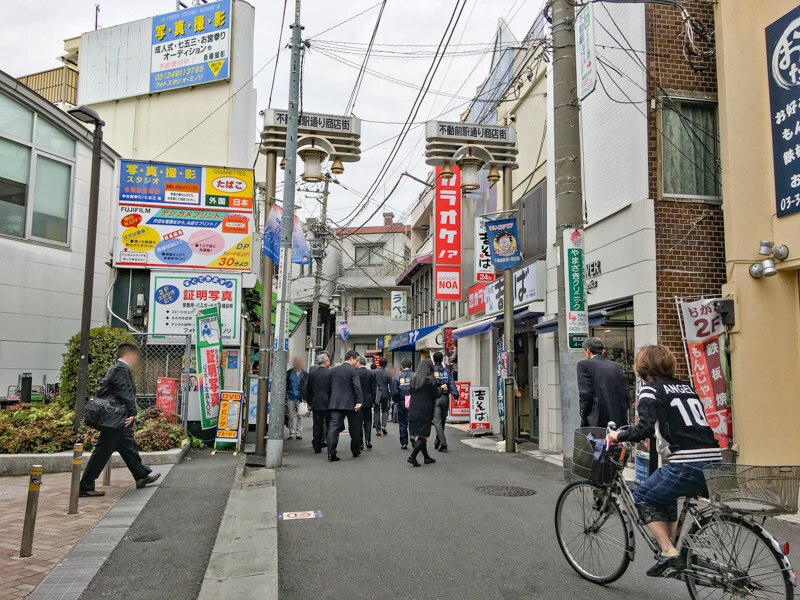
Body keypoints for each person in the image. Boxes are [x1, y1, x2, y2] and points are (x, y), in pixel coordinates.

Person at [608, 345, 721, 578]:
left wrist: (618, 435)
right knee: (663, 494)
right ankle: (671, 551)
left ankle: (669, 553)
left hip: (686, 464)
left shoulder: (650, 390)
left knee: (640, 496)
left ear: (642, 368)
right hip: (713, 460)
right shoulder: (686, 387)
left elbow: (644, 429)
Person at [79, 343, 160, 497]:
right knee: (103, 451)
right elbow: (125, 393)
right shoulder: (121, 369)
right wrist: (132, 412)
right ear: (128, 354)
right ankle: (86, 486)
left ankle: (141, 476)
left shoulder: (115, 368)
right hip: (117, 418)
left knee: (127, 446)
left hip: (114, 417)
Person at [577, 337, 629, 428]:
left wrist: (584, 413)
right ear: (603, 351)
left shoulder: (583, 365)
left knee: (595, 441)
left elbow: (586, 393)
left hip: (596, 418)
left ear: (588, 351)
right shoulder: (616, 366)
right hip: (618, 416)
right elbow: (625, 391)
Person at [326, 350, 364, 461]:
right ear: (351, 358)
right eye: (356, 360)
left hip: (335, 403)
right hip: (350, 403)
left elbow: (328, 387)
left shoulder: (333, 370)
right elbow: (357, 386)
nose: (357, 363)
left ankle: (330, 453)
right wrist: (359, 401)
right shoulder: (353, 370)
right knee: (354, 428)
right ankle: (355, 450)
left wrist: (330, 400)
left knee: (333, 427)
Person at [406, 358, 438, 467]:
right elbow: (436, 394)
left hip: (414, 409)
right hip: (425, 410)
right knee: (424, 436)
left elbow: (410, 392)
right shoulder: (431, 380)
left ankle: (426, 457)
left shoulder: (414, 379)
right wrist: (442, 389)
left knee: (420, 434)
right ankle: (413, 456)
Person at [304, 353, 332, 454]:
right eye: (328, 360)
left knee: (317, 425)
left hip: (316, 402)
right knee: (329, 424)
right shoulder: (331, 373)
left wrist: (310, 402)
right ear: (325, 362)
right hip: (329, 403)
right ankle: (330, 443)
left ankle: (317, 446)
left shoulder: (312, 374)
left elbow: (309, 390)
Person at [432, 352, 458, 453]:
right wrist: (455, 396)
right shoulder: (447, 371)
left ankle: (443, 443)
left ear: (433, 360)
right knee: (442, 421)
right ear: (442, 360)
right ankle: (437, 441)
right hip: (445, 398)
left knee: (436, 421)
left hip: (435, 397)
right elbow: (452, 384)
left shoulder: (431, 371)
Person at [356, 356, 377, 450]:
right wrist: (373, 400)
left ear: (359, 363)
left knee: (358, 422)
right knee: (368, 421)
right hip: (368, 400)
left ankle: (360, 442)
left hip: (358, 401)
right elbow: (374, 389)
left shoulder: (355, 373)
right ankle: (368, 440)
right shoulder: (371, 373)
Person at [286, 356, 308, 440]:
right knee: (290, 415)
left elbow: (306, 386)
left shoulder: (305, 374)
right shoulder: (289, 372)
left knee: (300, 415)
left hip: (301, 397)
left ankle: (298, 433)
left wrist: (305, 397)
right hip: (290, 396)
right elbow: (286, 384)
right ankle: (291, 432)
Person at [394, 358, 414, 450]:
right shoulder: (415, 376)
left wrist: (395, 400)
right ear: (411, 366)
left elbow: (395, 391)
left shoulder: (398, 377)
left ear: (401, 366)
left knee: (402, 422)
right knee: (413, 420)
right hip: (413, 400)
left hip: (402, 400)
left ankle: (404, 442)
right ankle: (413, 435)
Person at [373, 357, 392, 436]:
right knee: (385, 410)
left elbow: (372, 383)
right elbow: (391, 385)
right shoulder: (388, 373)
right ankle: (384, 425)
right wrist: (391, 396)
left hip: (377, 393)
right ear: (386, 364)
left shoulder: (375, 372)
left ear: (379, 364)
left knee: (377, 411)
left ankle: (378, 430)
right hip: (385, 393)